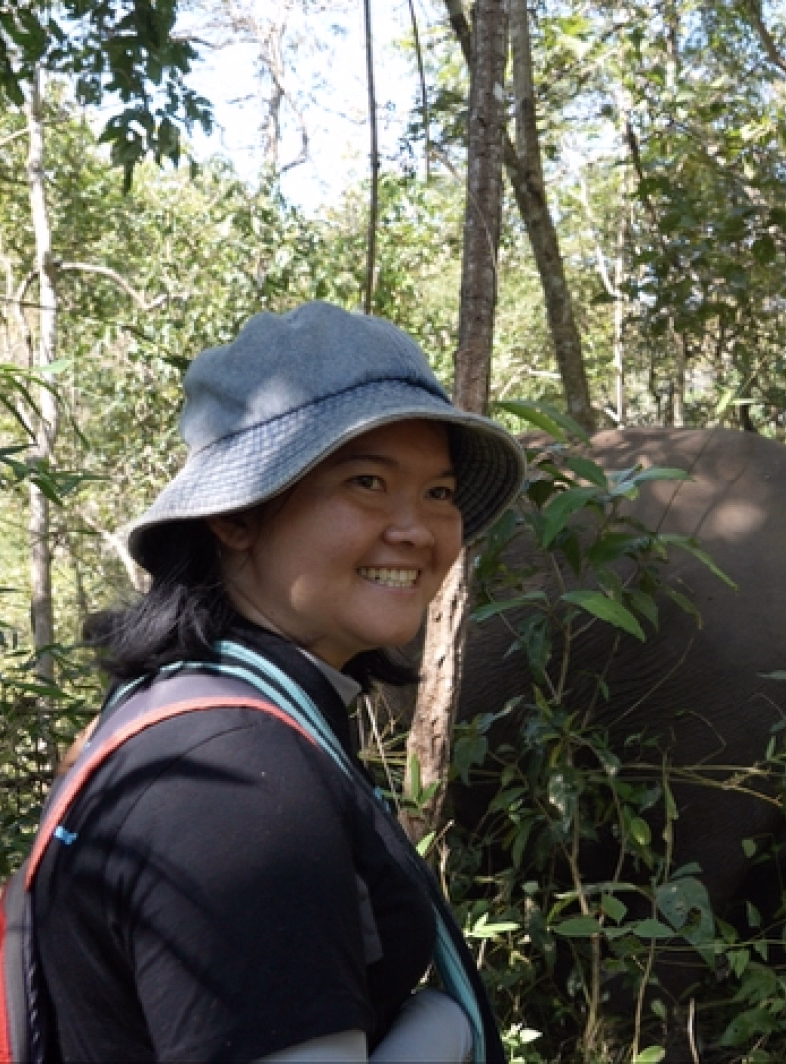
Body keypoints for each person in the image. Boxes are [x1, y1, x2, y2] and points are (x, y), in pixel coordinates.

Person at [35, 302, 525, 1062]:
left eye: (439, 493)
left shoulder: (181, 710)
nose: (418, 530)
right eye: (367, 481)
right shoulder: (230, 784)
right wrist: (445, 1027)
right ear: (235, 518)